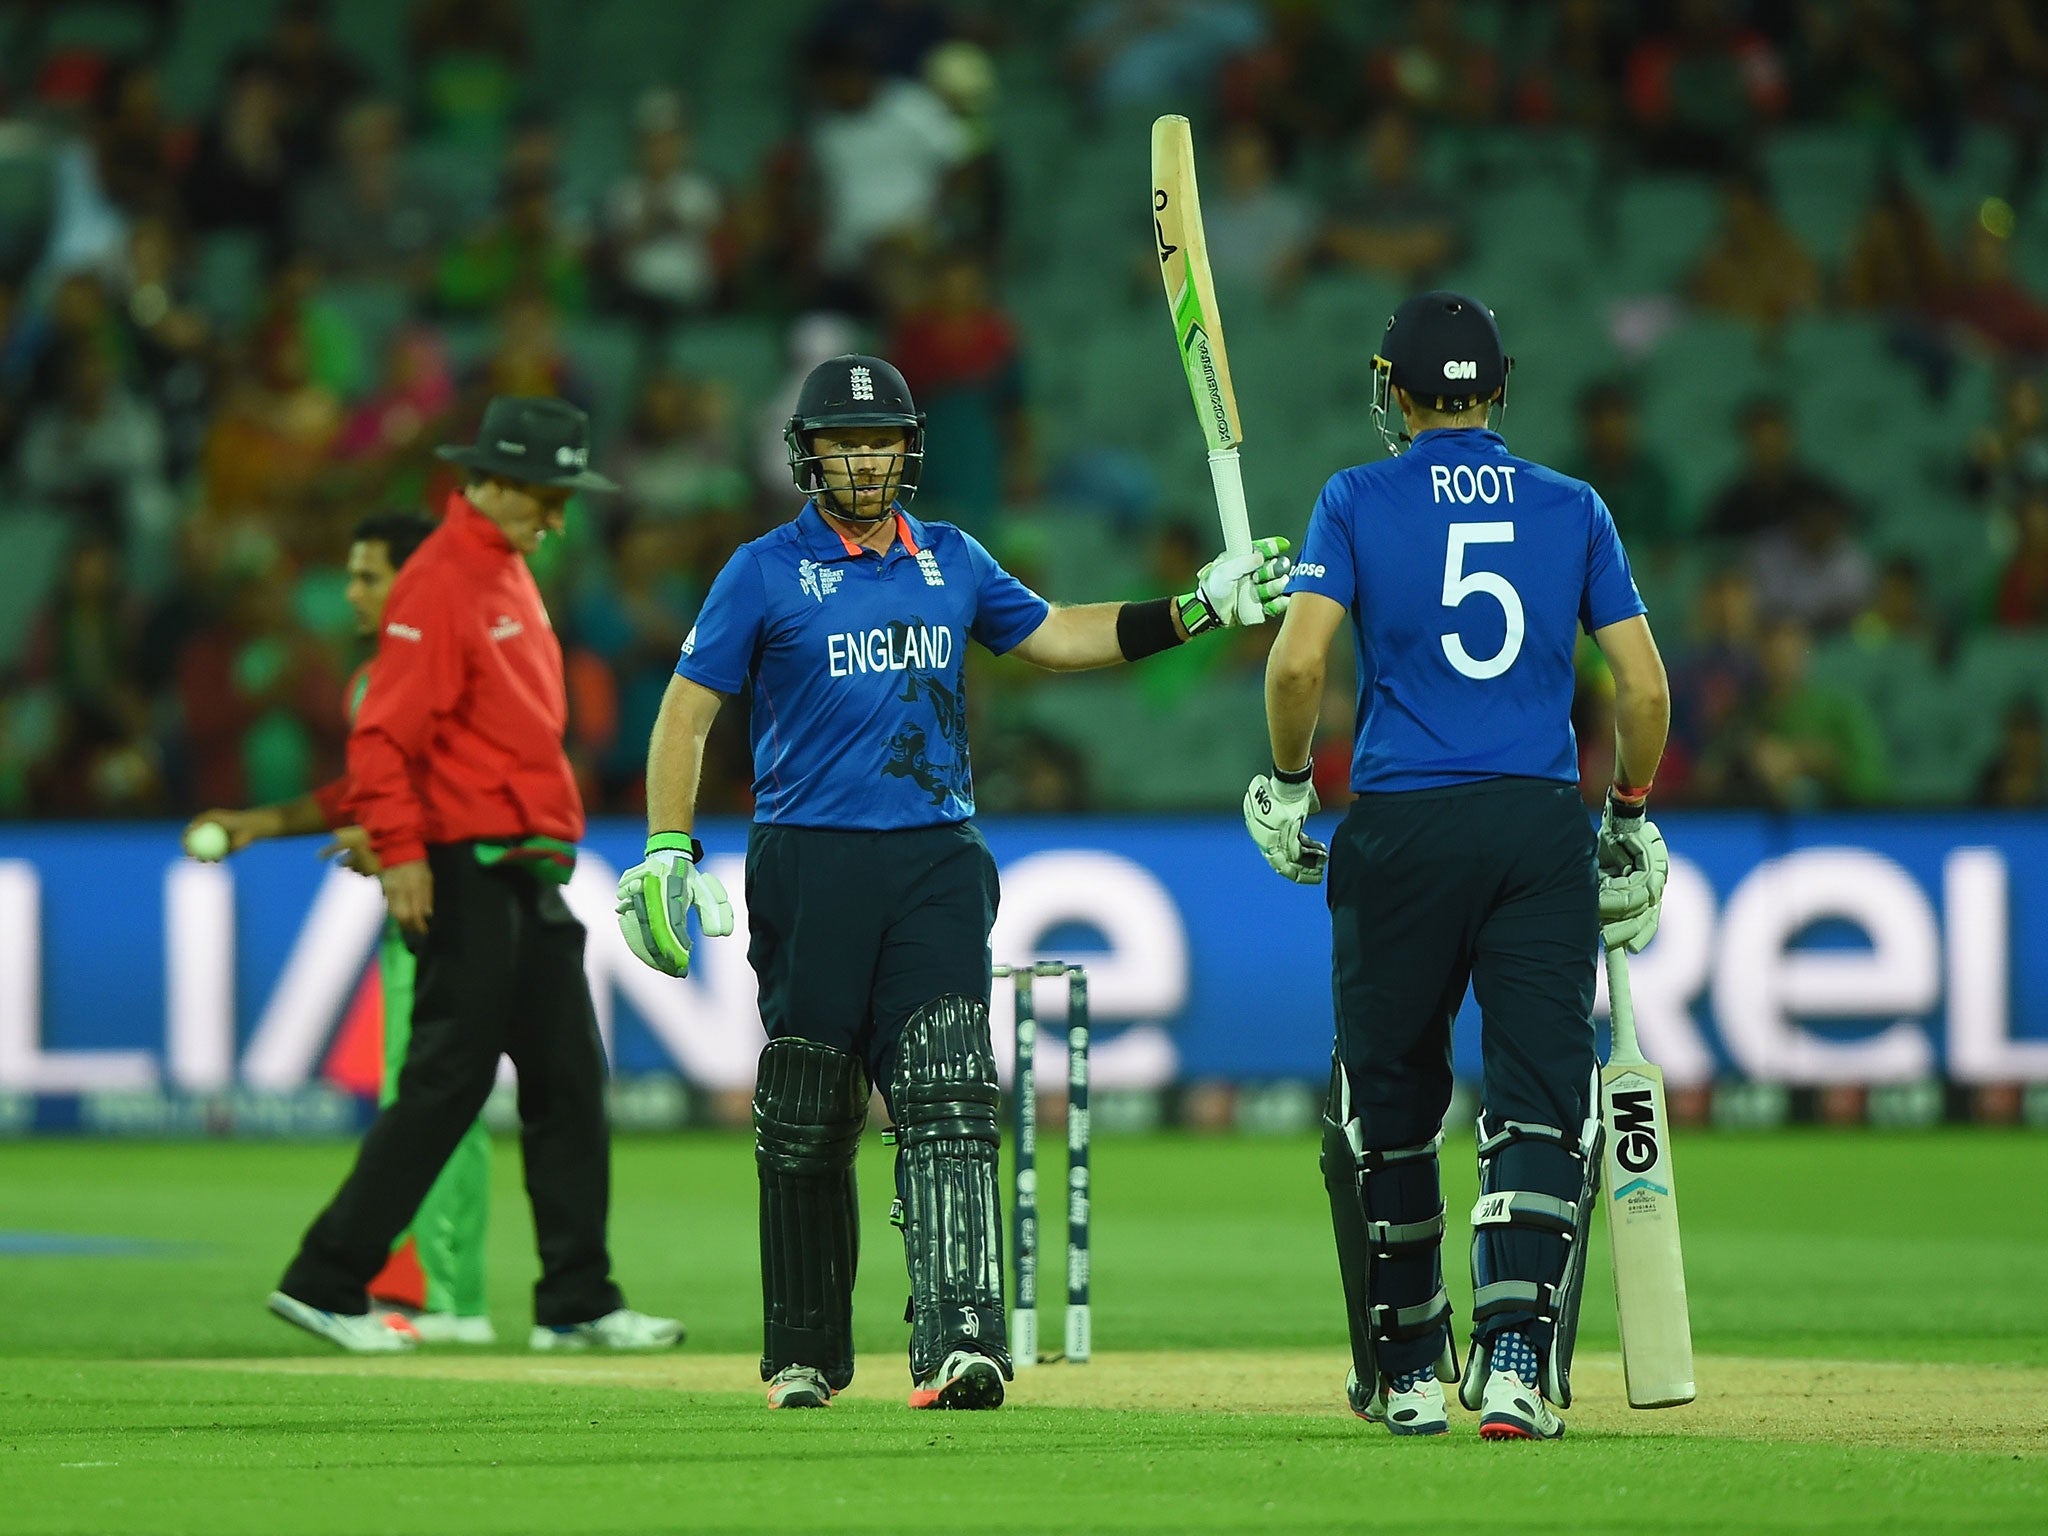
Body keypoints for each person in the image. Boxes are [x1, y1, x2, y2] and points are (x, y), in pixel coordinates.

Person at [615, 354, 1290, 1411]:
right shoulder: (761, 571)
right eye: (844, 441)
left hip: (935, 853)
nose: (867, 459)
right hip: (809, 857)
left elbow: (1060, 637)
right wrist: (666, 845)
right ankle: (803, 1354)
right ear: (808, 455)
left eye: (881, 440)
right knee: (804, 1110)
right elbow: (685, 714)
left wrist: (1194, 609)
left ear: (907, 449)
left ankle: (961, 1342)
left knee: (945, 1091)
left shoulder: (954, 560)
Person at [1246, 292, 1671, 1441]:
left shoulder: (1352, 497)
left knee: (1387, 1103)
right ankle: (1519, 1362)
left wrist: (1289, 784)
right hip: (1536, 830)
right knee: (1536, 1096)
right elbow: (1640, 689)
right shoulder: (1572, 506)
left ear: (1393, 389)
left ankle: (1409, 1369)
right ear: (1498, 386)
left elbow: (1294, 672)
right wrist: (1626, 813)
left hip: (1401, 828)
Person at [269, 397, 681, 1355]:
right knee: (446, 1085)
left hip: (523, 868)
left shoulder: (502, 570)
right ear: (491, 483)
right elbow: (382, 737)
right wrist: (404, 855)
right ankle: (326, 1278)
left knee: (568, 1080)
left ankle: (577, 1301)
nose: (560, 517)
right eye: (546, 495)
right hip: (469, 866)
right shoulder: (443, 581)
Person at [187, 510, 498, 1344]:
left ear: (415, 579)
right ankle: (425, 1286)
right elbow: (365, 792)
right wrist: (260, 822)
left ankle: (452, 1301)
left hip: (470, 899)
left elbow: (490, 782)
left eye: (367, 575)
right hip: (415, 908)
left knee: (439, 1098)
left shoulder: (463, 655)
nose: (351, 592)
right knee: (423, 1097)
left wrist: (403, 836)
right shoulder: (374, 679)